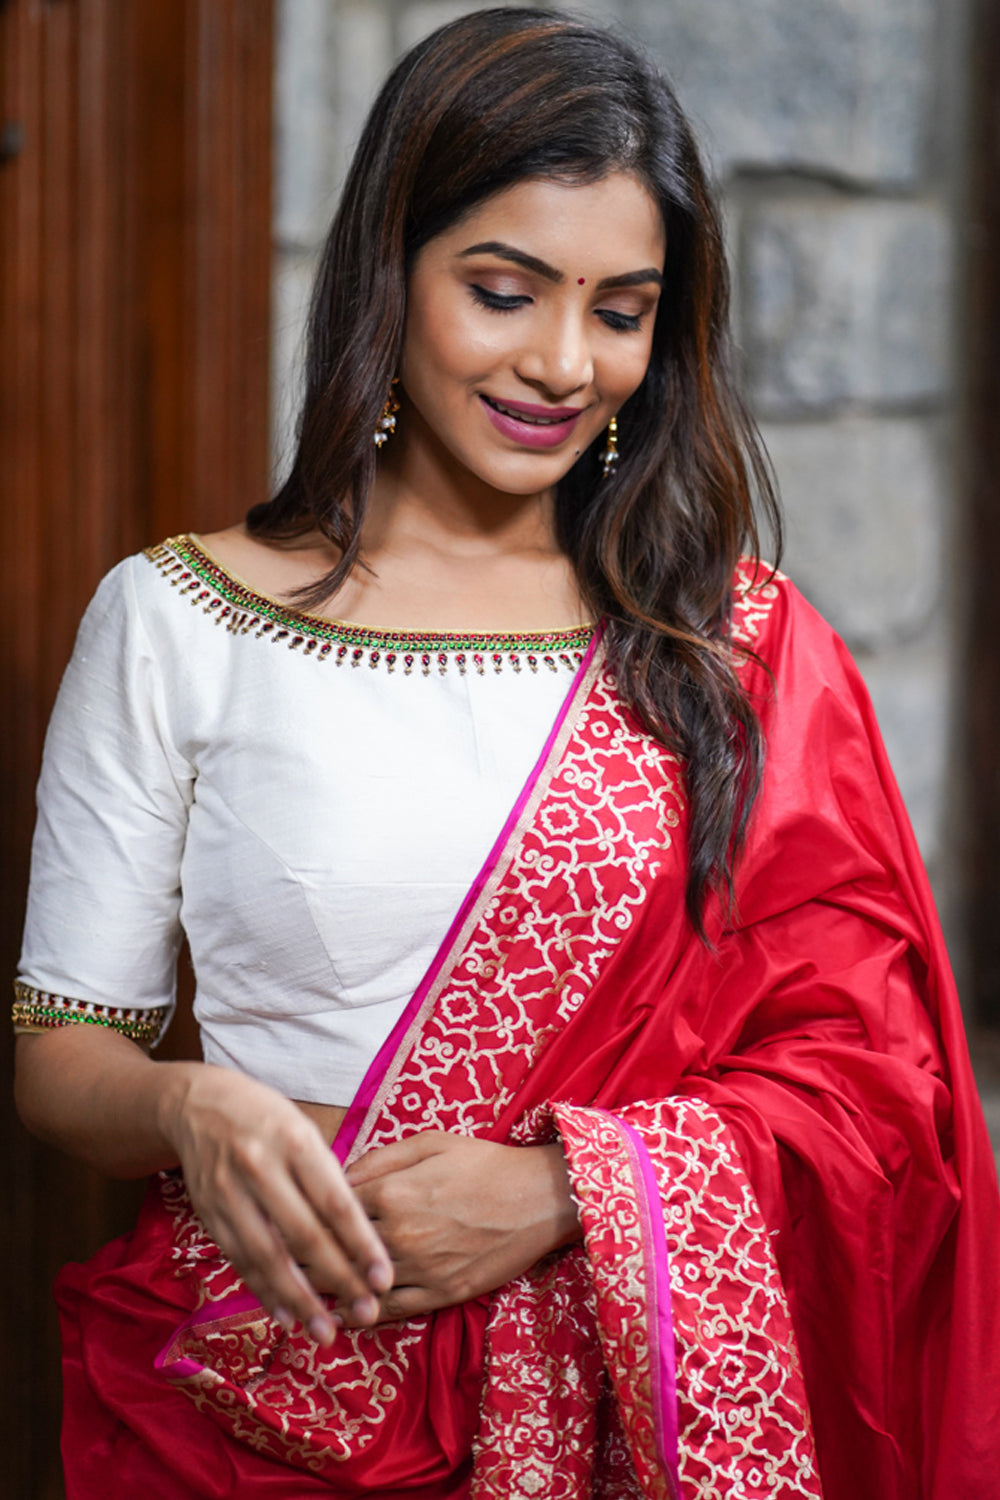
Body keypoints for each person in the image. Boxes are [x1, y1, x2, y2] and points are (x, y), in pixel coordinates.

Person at [12, 7, 1000, 1498]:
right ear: (389, 272)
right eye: (503, 289)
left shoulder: (730, 651)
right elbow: (61, 1047)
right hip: (262, 1389)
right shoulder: (178, 619)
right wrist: (185, 1105)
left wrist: (562, 1193)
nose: (561, 361)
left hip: (623, 1412)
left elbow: (883, 1088)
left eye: (621, 309)